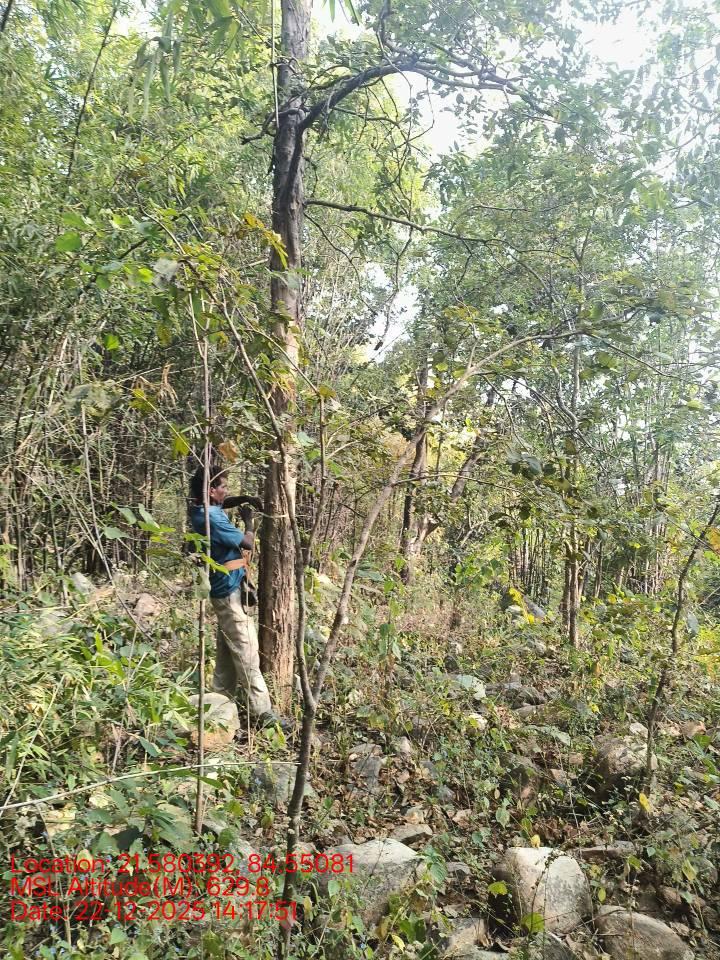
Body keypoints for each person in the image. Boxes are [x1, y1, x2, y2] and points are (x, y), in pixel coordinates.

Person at [189, 464, 289, 733]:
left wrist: (242, 499)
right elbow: (246, 543)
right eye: (223, 487)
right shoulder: (212, 518)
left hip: (223, 590)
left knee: (226, 653)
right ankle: (262, 712)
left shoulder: (199, 509)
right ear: (211, 490)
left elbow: (221, 503)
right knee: (247, 651)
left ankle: (219, 704)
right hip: (229, 592)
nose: (227, 491)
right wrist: (249, 522)